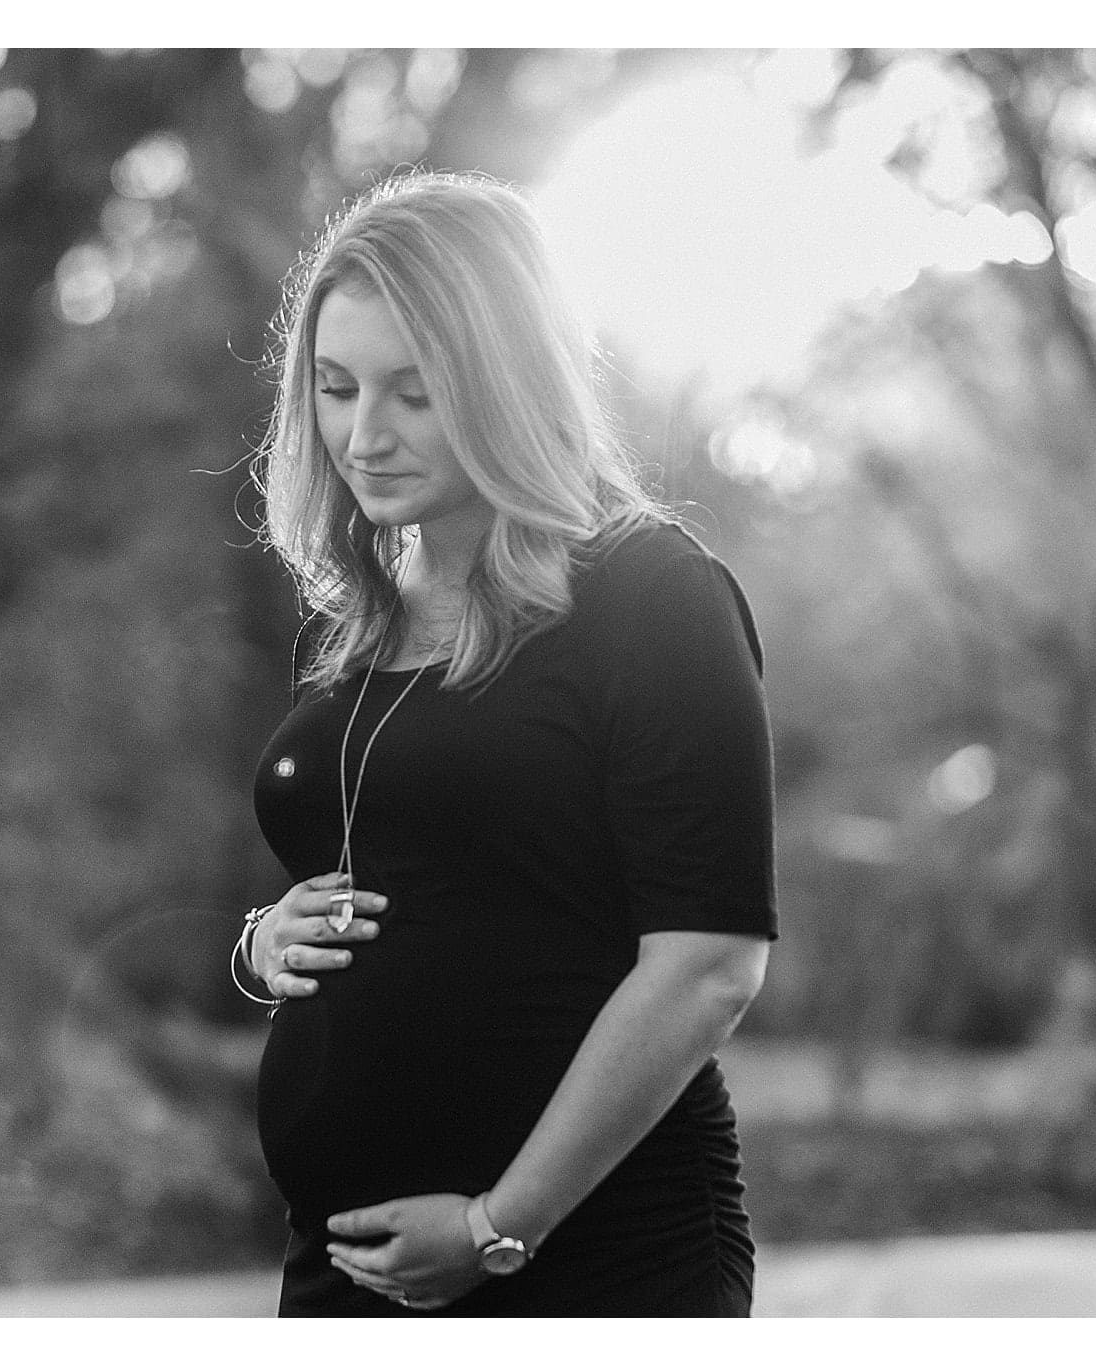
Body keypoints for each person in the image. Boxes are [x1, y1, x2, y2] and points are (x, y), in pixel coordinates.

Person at [231, 170, 777, 1317]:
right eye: (334, 388)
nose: (360, 437)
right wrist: (260, 941)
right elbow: (408, 870)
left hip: (593, 1258)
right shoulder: (364, 609)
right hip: (340, 1270)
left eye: (412, 394)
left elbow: (708, 964)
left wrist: (497, 1227)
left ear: (507, 381)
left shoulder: (651, 594)